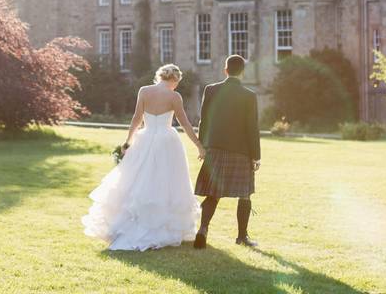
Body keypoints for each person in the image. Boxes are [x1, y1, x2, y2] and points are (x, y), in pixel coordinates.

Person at [82, 64, 206, 251]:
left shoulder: (144, 91)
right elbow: (186, 124)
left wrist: (127, 143)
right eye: (177, 83)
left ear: (159, 76)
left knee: (137, 179)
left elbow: (136, 119)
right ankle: (161, 226)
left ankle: (131, 224)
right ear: (175, 80)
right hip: (167, 141)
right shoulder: (174, 96)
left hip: (144, 138)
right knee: (166, 181)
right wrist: (199, 146)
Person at [193, 54, 261, 249]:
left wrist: (202, 146)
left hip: (214, 149)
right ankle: (242, 237)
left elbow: (204, 120)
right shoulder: (249, 95)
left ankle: (203, 230)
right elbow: (252, 127)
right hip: (241, 151)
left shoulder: (211, 90)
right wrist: (256, 156)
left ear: (225, 70)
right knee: (245, 194)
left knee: (213, 193)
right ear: (243, 72)